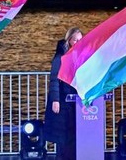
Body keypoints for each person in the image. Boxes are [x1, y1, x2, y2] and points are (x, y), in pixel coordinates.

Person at [43, 27, 83, 160]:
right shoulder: (60, 57)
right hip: (63, 101)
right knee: (63, 138)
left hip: (75, 102)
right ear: (69, 40)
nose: (78, 43)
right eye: (75, 40)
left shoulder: (79, 56)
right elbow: (54, 79)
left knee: (73, 136)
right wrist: (55, 100)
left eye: (80, 40)